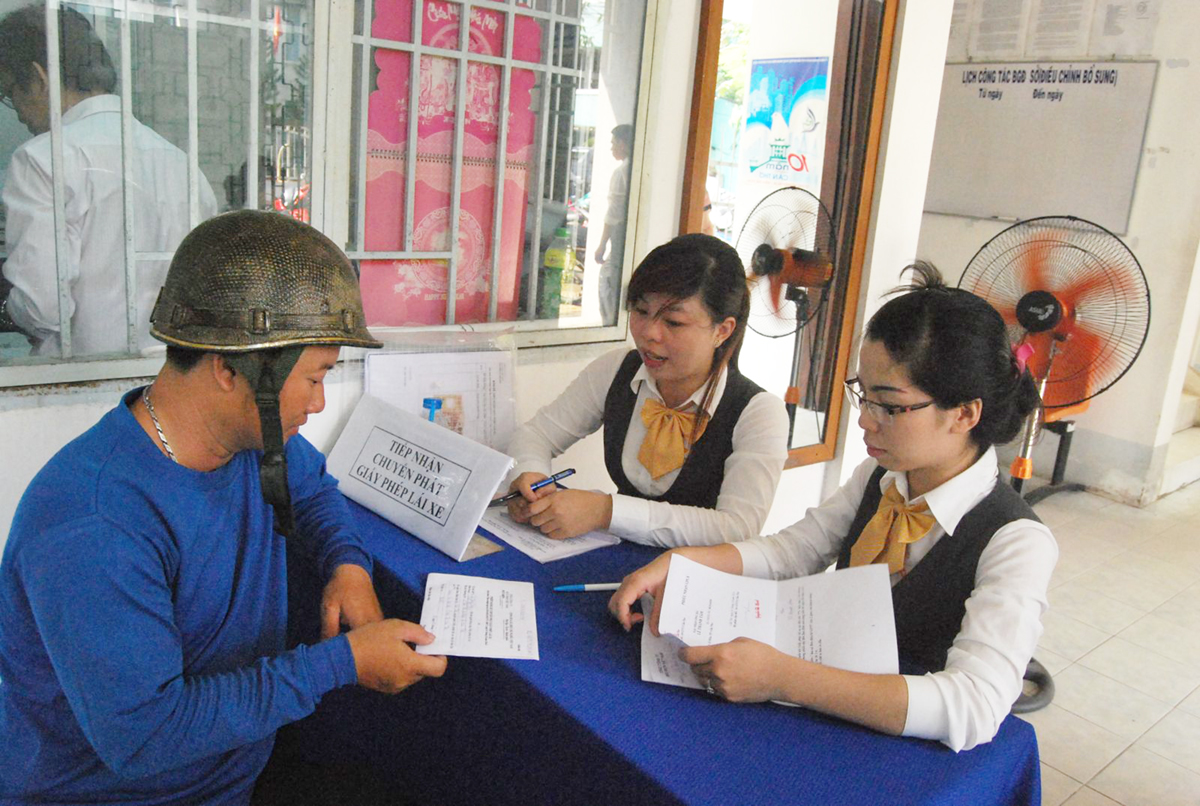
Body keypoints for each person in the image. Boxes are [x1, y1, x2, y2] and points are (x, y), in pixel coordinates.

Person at [0, 211, 447, 804]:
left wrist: (347, 566)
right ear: (230, 370)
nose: (319, 403)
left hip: (234, 768)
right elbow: (144, 737)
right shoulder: (95, 523)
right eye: (315, 378)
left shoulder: (253, 440)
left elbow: (314, 491)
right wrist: (340, 664)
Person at [609, 262, 1057, 752]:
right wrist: (684, 562)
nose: (864, 420)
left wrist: (783, 677)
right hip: (832, 719)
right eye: (863, 393)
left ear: (965, 413)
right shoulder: (880, 478)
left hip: (905, 751)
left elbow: (973, 706)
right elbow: (792, 552)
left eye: (889, 405)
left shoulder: (1016, 541)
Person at [506, 233, 789, 547]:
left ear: (722, 330)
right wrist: (532, 478)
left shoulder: (759, 413)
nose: (649, 333)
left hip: (693, 573)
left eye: (674, 322)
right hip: (616, 558)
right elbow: (537, 435)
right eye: (641, 311)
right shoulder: (618, 370)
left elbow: (737, 527)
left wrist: (606, 511)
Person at [0, 4, 217, 357]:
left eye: (11, 94)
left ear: (39, 78)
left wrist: (9, 308)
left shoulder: (42, 159)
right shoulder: (181, 163)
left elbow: (43, 308)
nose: (20, 114)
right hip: (166, 373)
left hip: (79, 377)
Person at [594, 123, 632, 325]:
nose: (611, 148)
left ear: (623, 144)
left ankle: (610, 324)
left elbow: (613, 214)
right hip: (628, 234)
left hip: (619, 234)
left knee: (609, 279)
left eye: (613, 143)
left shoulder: (621, 172)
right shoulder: (634, 169)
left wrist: (602, 244)